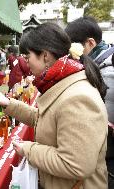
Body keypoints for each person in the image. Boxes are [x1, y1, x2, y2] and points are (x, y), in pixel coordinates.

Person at [0, 23, 108, 189]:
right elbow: (47, 119)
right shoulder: (64, 82)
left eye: (27, 57)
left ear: (45, 56)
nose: (25, 62)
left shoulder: (78, 97)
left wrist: (28, 149)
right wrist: (8, 104)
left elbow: (75, 164)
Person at [65, 16, 114, 188]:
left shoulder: (108, 73)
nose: (71, 55)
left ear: (90, 43)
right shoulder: (99, 65)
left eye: (73, 48)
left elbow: (102, 127)